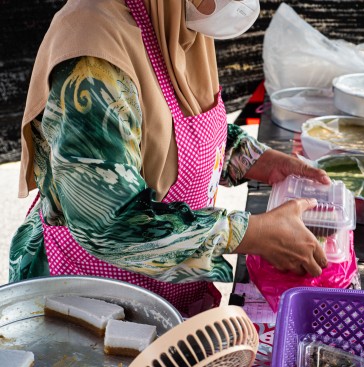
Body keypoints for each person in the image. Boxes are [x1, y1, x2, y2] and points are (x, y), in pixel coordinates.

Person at [9, 0, 330, 316]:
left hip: (161, 291)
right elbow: (109, 222)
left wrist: (255, 159)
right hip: (88, 302)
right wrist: (249, 233)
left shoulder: (172, 20)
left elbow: (178, 134)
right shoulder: (93, 54)